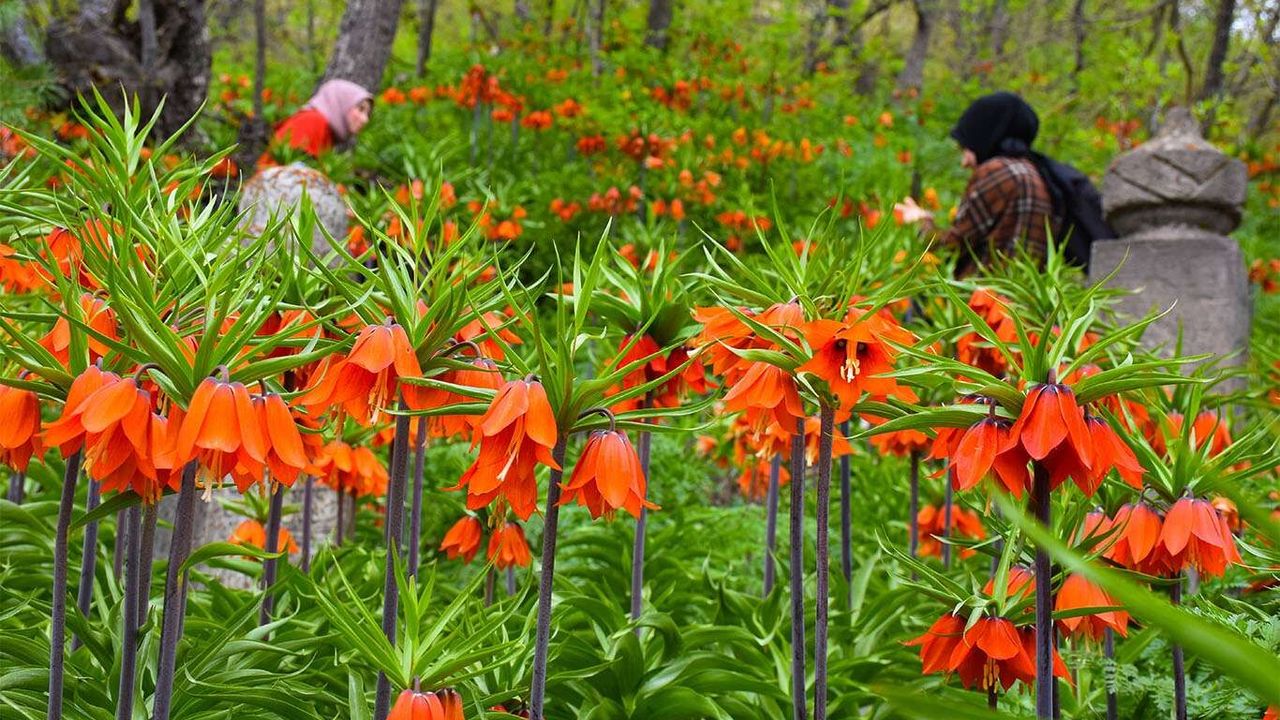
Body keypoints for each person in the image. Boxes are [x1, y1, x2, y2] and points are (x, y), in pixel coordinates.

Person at [896, 92, 1058, 277]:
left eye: (967, 148)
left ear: (987, 137)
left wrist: (919, 221)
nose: (964, 162)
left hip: (983, 299)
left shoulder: (997, 172)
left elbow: (953, 245)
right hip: (1018, 298)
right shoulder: (1036, 173)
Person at [259, 79, 374, 166]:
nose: (365, 119)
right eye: (360, 109)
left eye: (367, 113)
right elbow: (291, 170)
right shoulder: (313, 121)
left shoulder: (327, 131)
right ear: (340, 103)